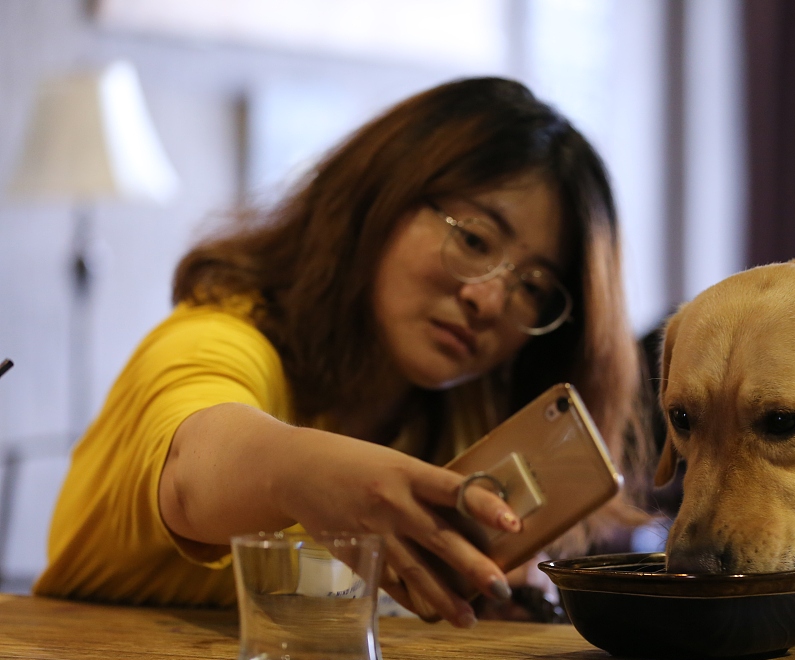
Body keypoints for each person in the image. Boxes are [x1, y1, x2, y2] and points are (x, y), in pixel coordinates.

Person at [33, 78, 645, 628]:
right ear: (379, 199)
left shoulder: (459, 419)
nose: (489, 299)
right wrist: (304, 474)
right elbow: (191, 472)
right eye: (475, 239)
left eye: (533, 287)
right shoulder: (221, 337)